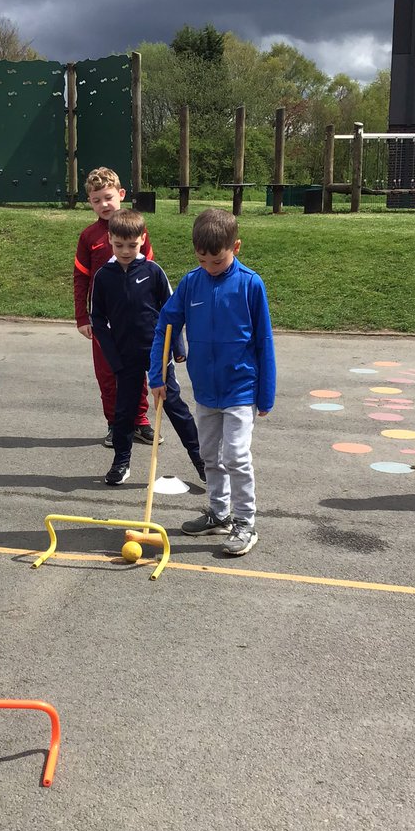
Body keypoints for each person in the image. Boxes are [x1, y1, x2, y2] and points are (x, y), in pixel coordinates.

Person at [149, 208, 276, 558]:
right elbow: (165, 325)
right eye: (202, 260)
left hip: (241, 389)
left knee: (235, 454)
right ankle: (218, 514)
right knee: (209, 456)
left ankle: (245, 522)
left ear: (236, 246)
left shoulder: (251, 283)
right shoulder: (192, 282)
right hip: (206, 390)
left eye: (217, 261)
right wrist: (157, 376)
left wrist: (266, 394)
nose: (209, 267)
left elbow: (264, 340)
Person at [91, 210, 205, 487]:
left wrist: (177, 347)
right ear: (110, 240)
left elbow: (172, 312)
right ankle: (121, 461)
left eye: (132, 245)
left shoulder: (153, 272)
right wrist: (112, 357)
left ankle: (202, 461)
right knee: (124, 411)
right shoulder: (103, 276)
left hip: (157, 353)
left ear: (142, 239)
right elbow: (97, 319)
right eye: (119, 245)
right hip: (124, 357)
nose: (126, 251)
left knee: (175, 406)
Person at [73, 166, 154, 447]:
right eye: (96, 200)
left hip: (136, 320)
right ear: (90, 203)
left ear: (121, 195)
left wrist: (152, 313)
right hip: (103, 322)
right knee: (107, 374)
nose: (103, 204)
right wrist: (82, 316)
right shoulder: (88, 237)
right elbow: (80, 278)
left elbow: (151, 275)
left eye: (108, 197)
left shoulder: (138, 229)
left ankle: (140, 421)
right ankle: (115, 424)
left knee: (137, 370)